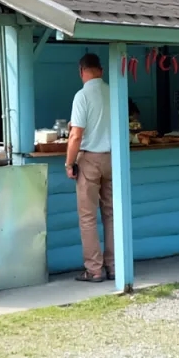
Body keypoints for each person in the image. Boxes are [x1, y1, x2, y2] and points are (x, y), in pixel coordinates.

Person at [65, 53, 113, 283]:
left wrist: (69, 163)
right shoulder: (113, 91)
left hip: (89, 160)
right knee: (112, 215)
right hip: (113, 159)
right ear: (101, 70)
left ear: (81, 71)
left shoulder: (82, 96)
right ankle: (114, 265)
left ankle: (94, 269)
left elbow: (75, 135)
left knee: (88, 217)